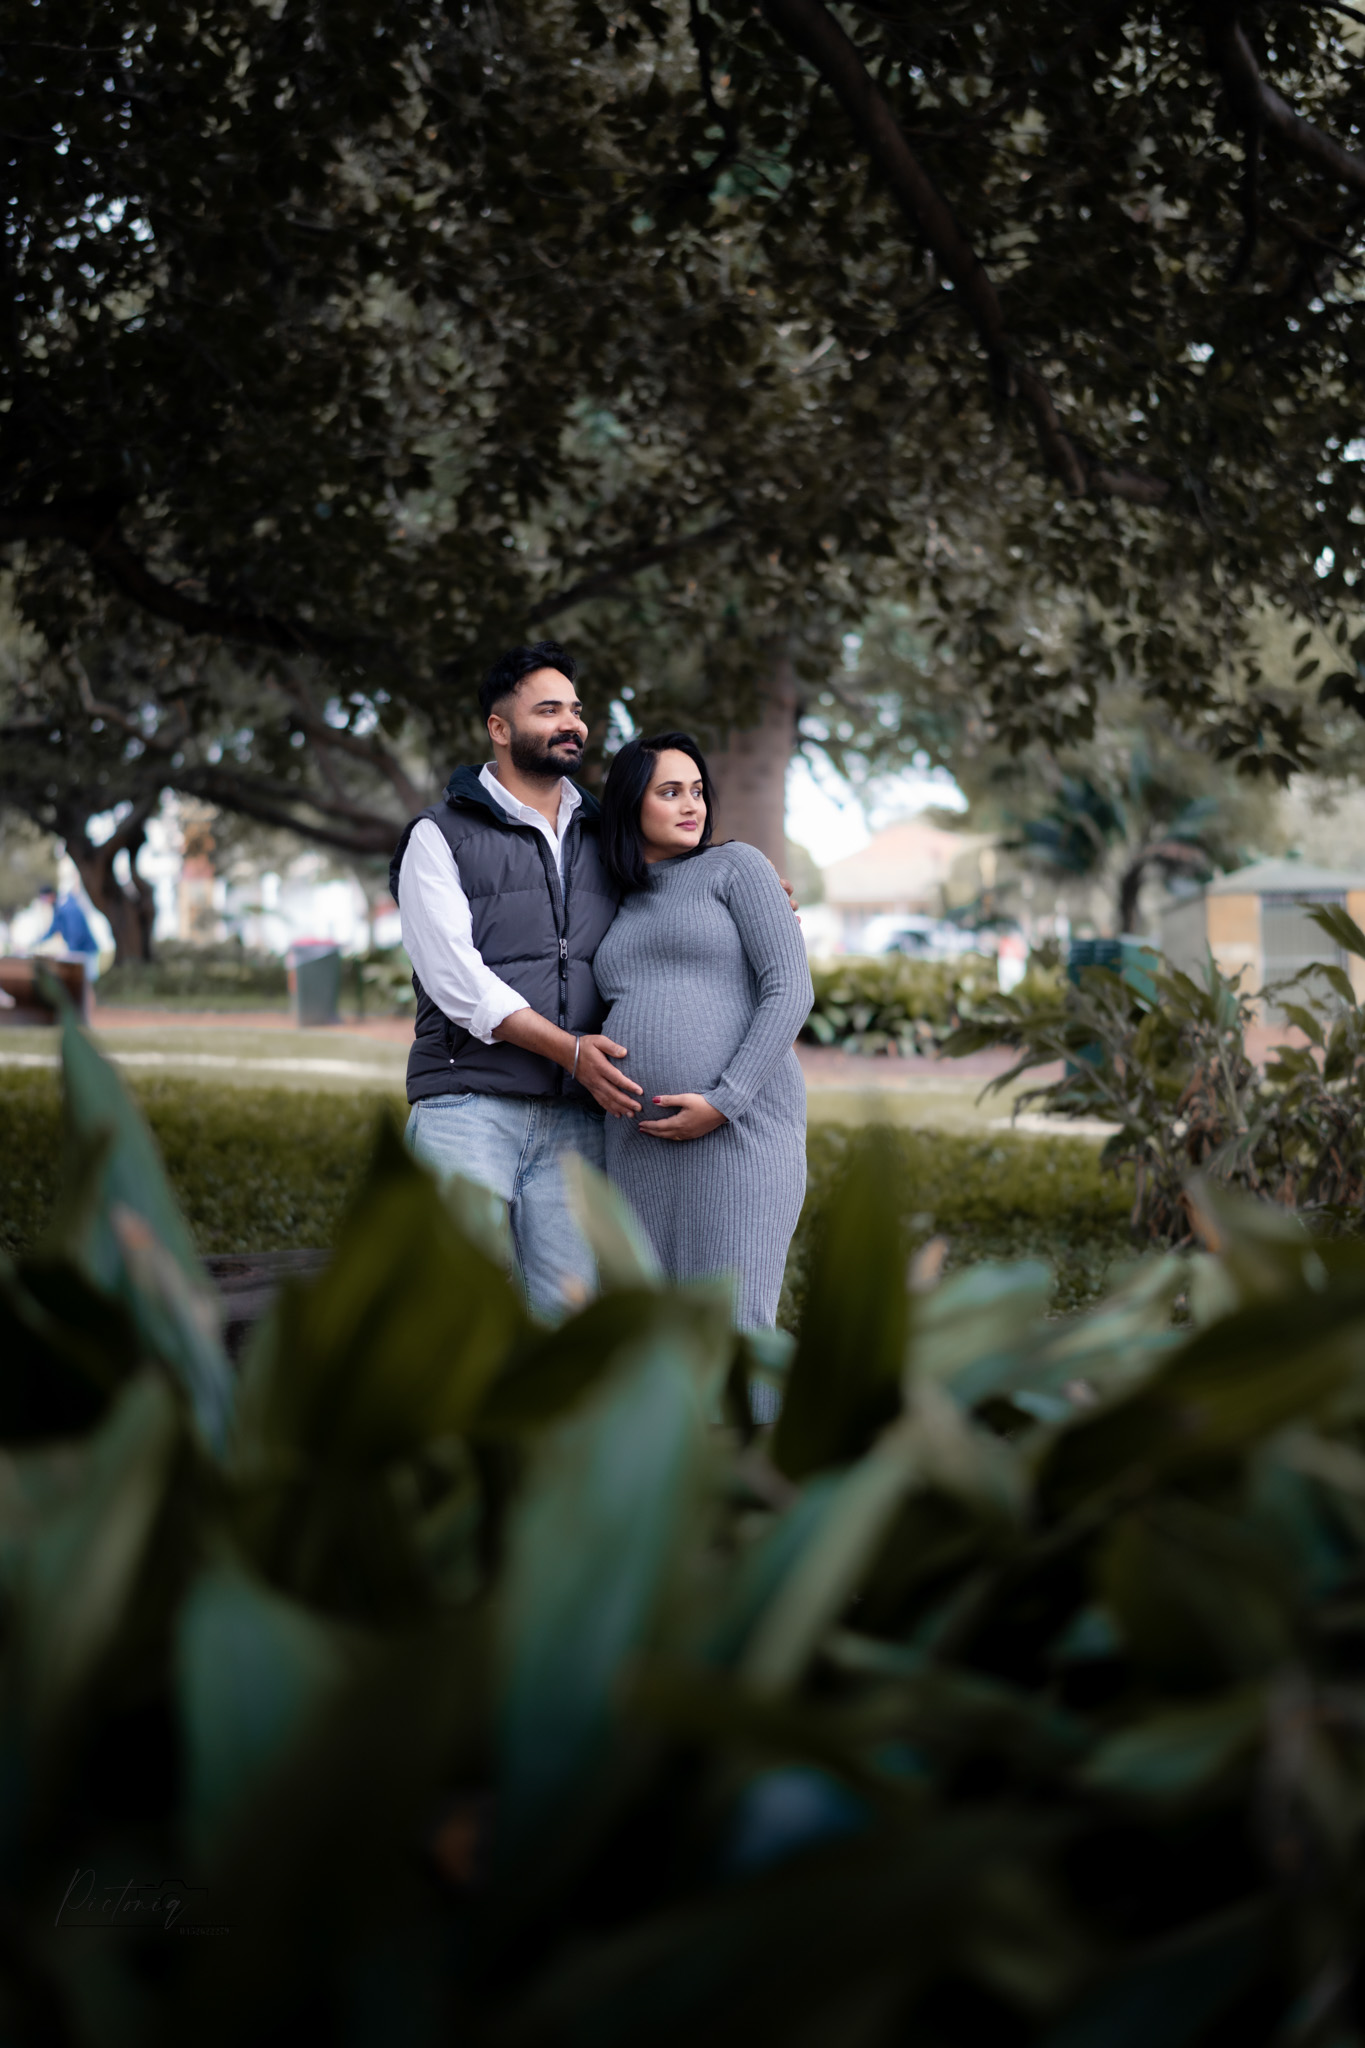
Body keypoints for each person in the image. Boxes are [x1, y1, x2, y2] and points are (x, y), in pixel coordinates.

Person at [389, 642, 643, 1318]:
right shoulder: (438, 837)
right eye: (548, 709)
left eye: (577, 710)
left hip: (577, 1122)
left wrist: (753, 887)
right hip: (467, 1108)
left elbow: (675, 890)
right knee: (448, 1315)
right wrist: (571, 1051)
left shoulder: (606, 833)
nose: (572, 724)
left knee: (568, 1323)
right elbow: (458, 982)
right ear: (498, 729)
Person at [593, 732, 814, 1328]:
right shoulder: (613, 894)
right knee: (654, 1330)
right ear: (630, 804)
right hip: (638, 1145)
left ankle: (750, 1428)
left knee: (735, 1323)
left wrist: (725, 1101)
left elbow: (792, 989)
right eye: (670, 792)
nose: (692, 806)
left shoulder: (737, 867)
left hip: (741, 1132)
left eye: (697, 791)